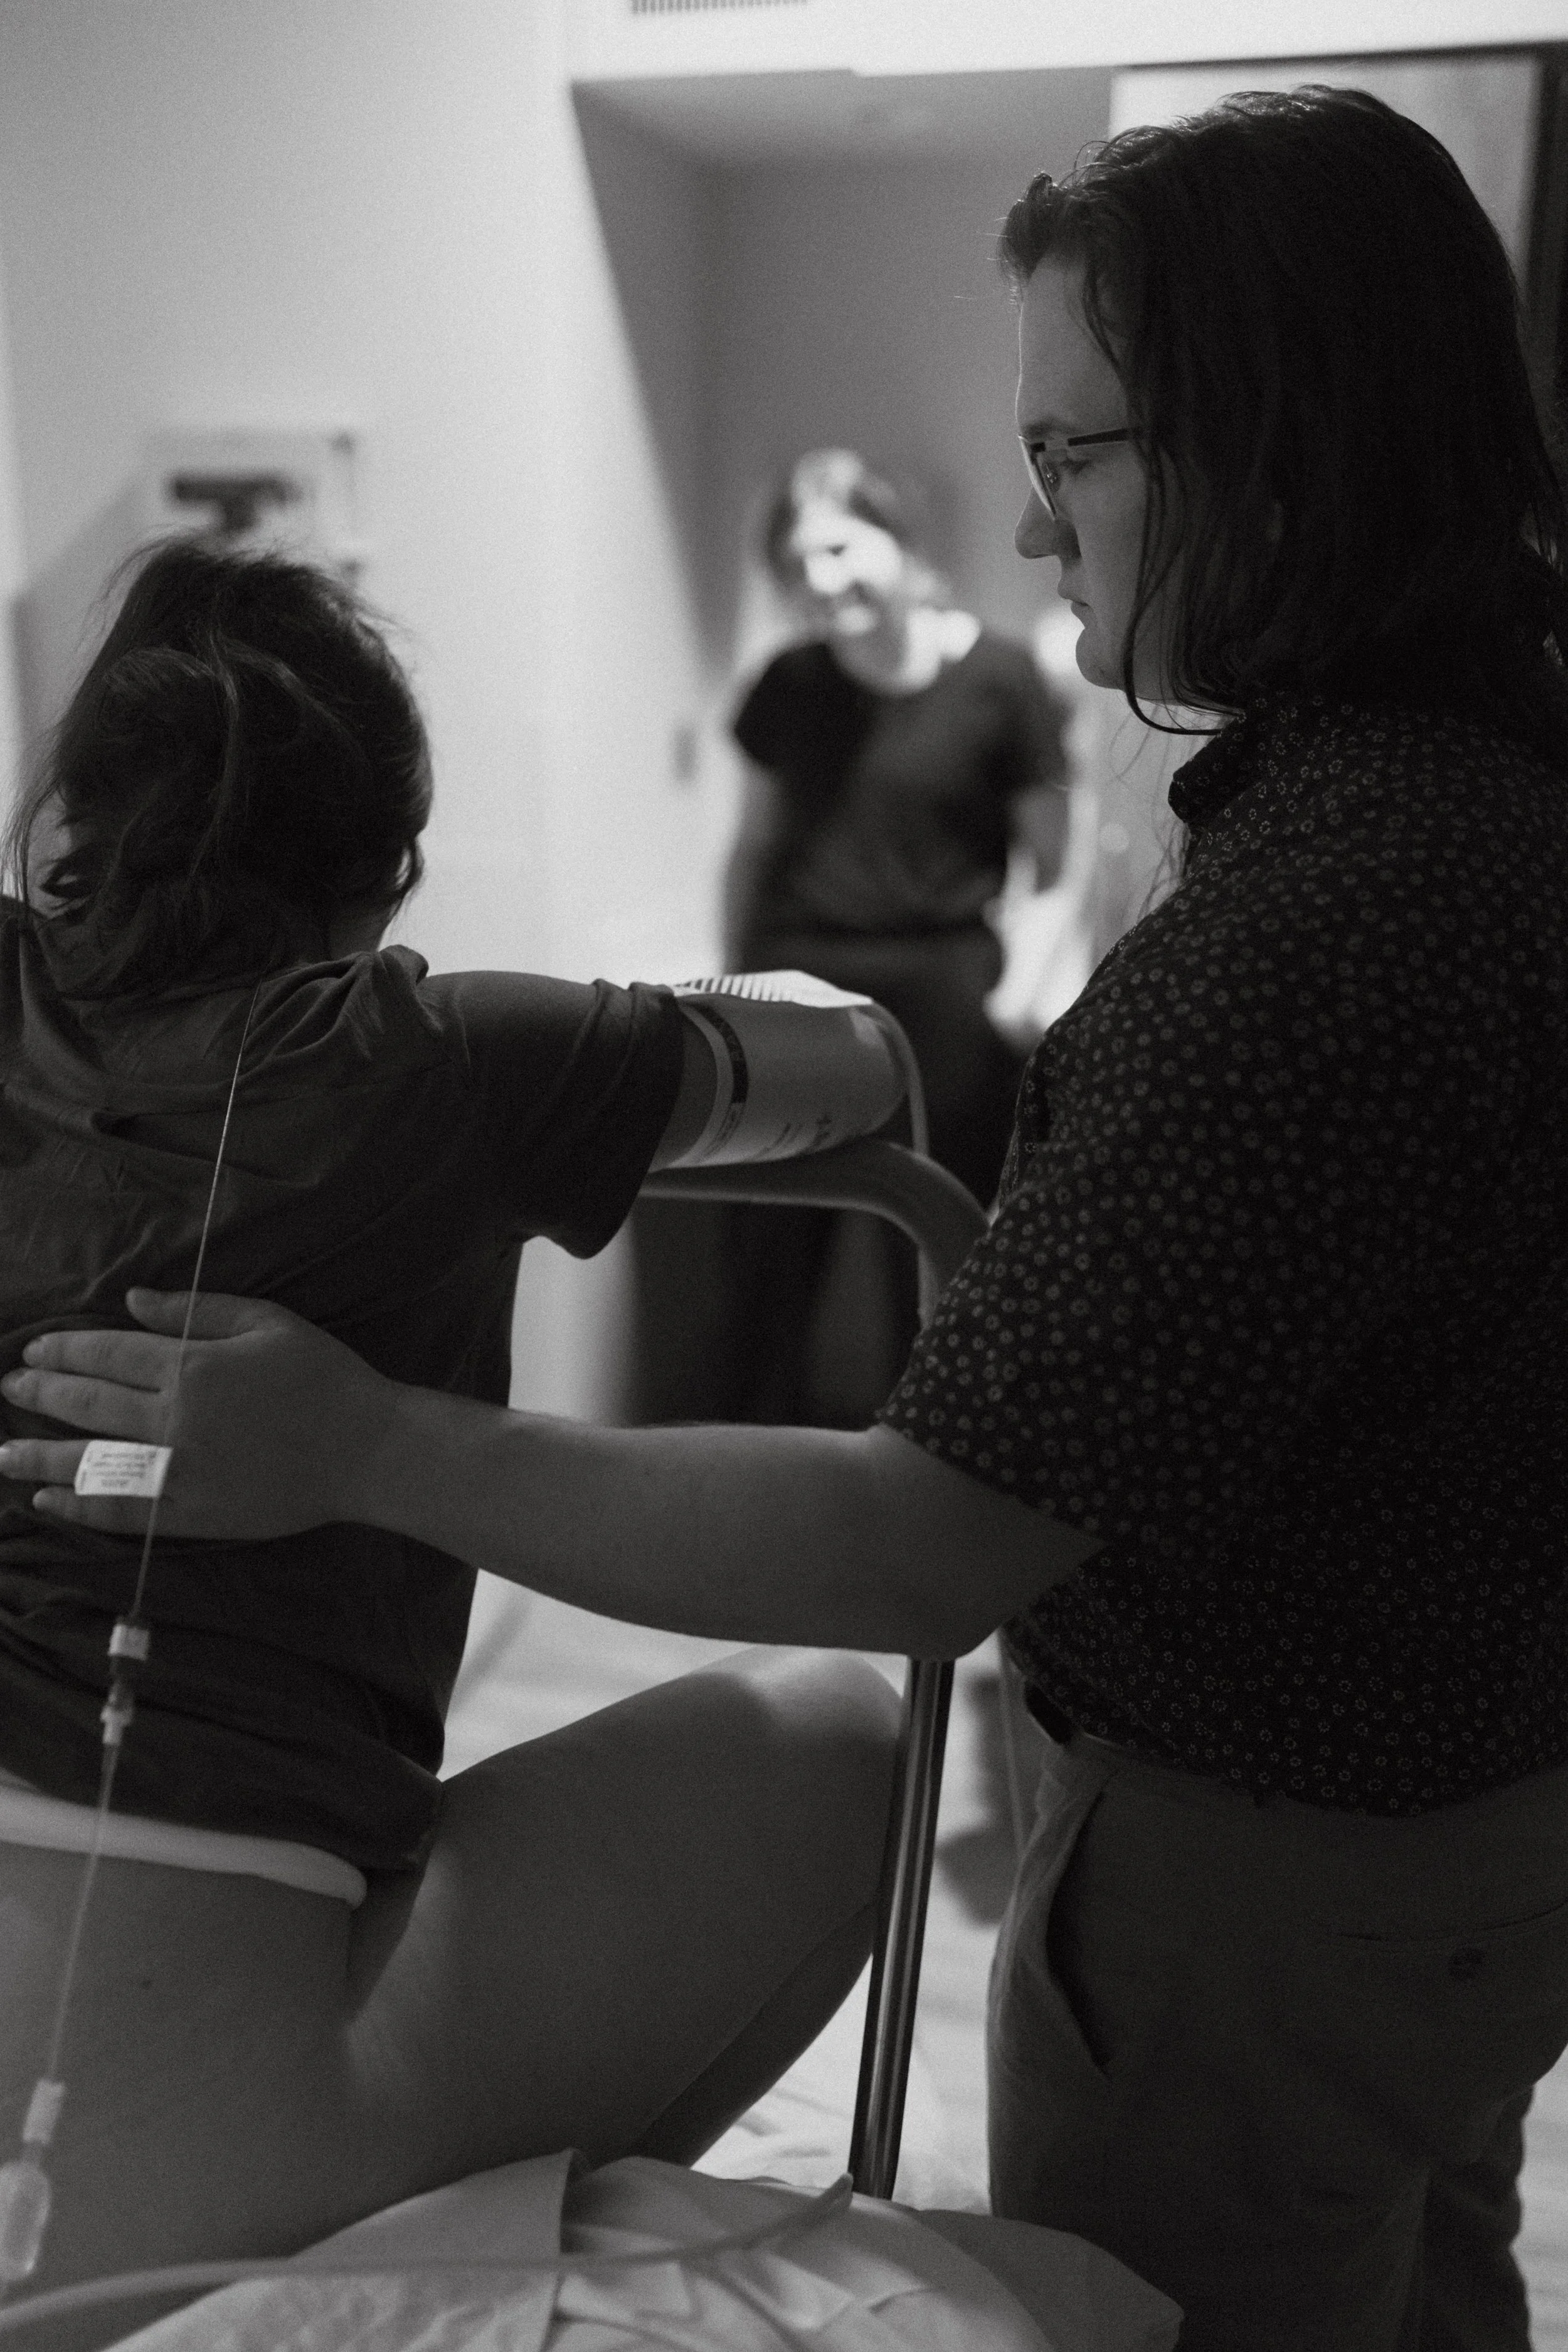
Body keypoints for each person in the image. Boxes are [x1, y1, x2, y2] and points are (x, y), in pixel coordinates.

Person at [11, 83, 1568, 2350]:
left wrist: (365, 1445)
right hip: (1465, 1813)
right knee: (1411, 2251)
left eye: (1074, 455)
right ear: (389, 863)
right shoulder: (1493, 817)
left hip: (1277, 1871)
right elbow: (822, 1061)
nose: (1041, 535)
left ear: (1271, 447)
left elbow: (926, 1540)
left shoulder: (1318, 927)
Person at [0, 536, 899, 2294]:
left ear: (76, 818)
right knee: (844, 1735)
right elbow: (851, 1061)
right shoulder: (444, 1055)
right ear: (383, 876)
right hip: (165, 2138)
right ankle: (409, 2269)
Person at [634, 451, 1069, 1428]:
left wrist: (1017, 995)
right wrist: (729, 1004)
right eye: (796, 565)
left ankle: (933, 1477)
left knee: (937, 1258)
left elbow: (1055, 863)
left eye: (838, 546)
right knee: (767, 1253)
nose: (821, 581)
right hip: (797, 990)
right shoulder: (787, 685)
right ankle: (744, 1468)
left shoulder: (1002, 678)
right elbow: (749, 851)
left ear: (900, 538)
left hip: (948, 994)